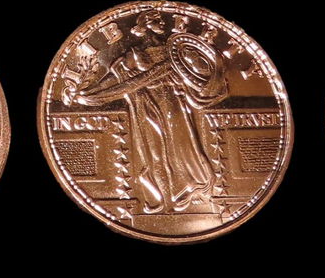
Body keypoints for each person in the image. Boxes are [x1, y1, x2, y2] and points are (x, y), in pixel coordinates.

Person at [64, 13, 227, 214]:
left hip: (175, 107)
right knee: (156, 155)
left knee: (185, 151)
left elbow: (201, 76)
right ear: (144, 27)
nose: (159, 24)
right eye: (153, 21)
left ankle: (182, 195)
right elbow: (117, 83)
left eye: (159, 21)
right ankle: (165, 201)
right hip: (150, 107)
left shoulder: (174, 51)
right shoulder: (134, 54)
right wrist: (88, 95)